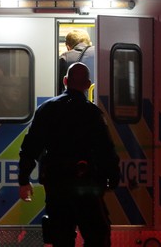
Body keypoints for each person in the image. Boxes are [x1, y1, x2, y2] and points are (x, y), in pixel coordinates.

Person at [18, 62, 120, 247]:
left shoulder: (46, 109)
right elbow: (106, 150)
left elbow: (30, 146)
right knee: (97, 235)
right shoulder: (93, 113)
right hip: (87, 184)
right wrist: (113, 178)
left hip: (57, 183)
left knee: (61, 237)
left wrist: (24, 179)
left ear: (65, 81)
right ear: (88, 84)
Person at [58, 29, 95, 94]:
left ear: (68, 47)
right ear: (90, 43)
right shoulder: (99, 55)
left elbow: (59, 88)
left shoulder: (64, 58)